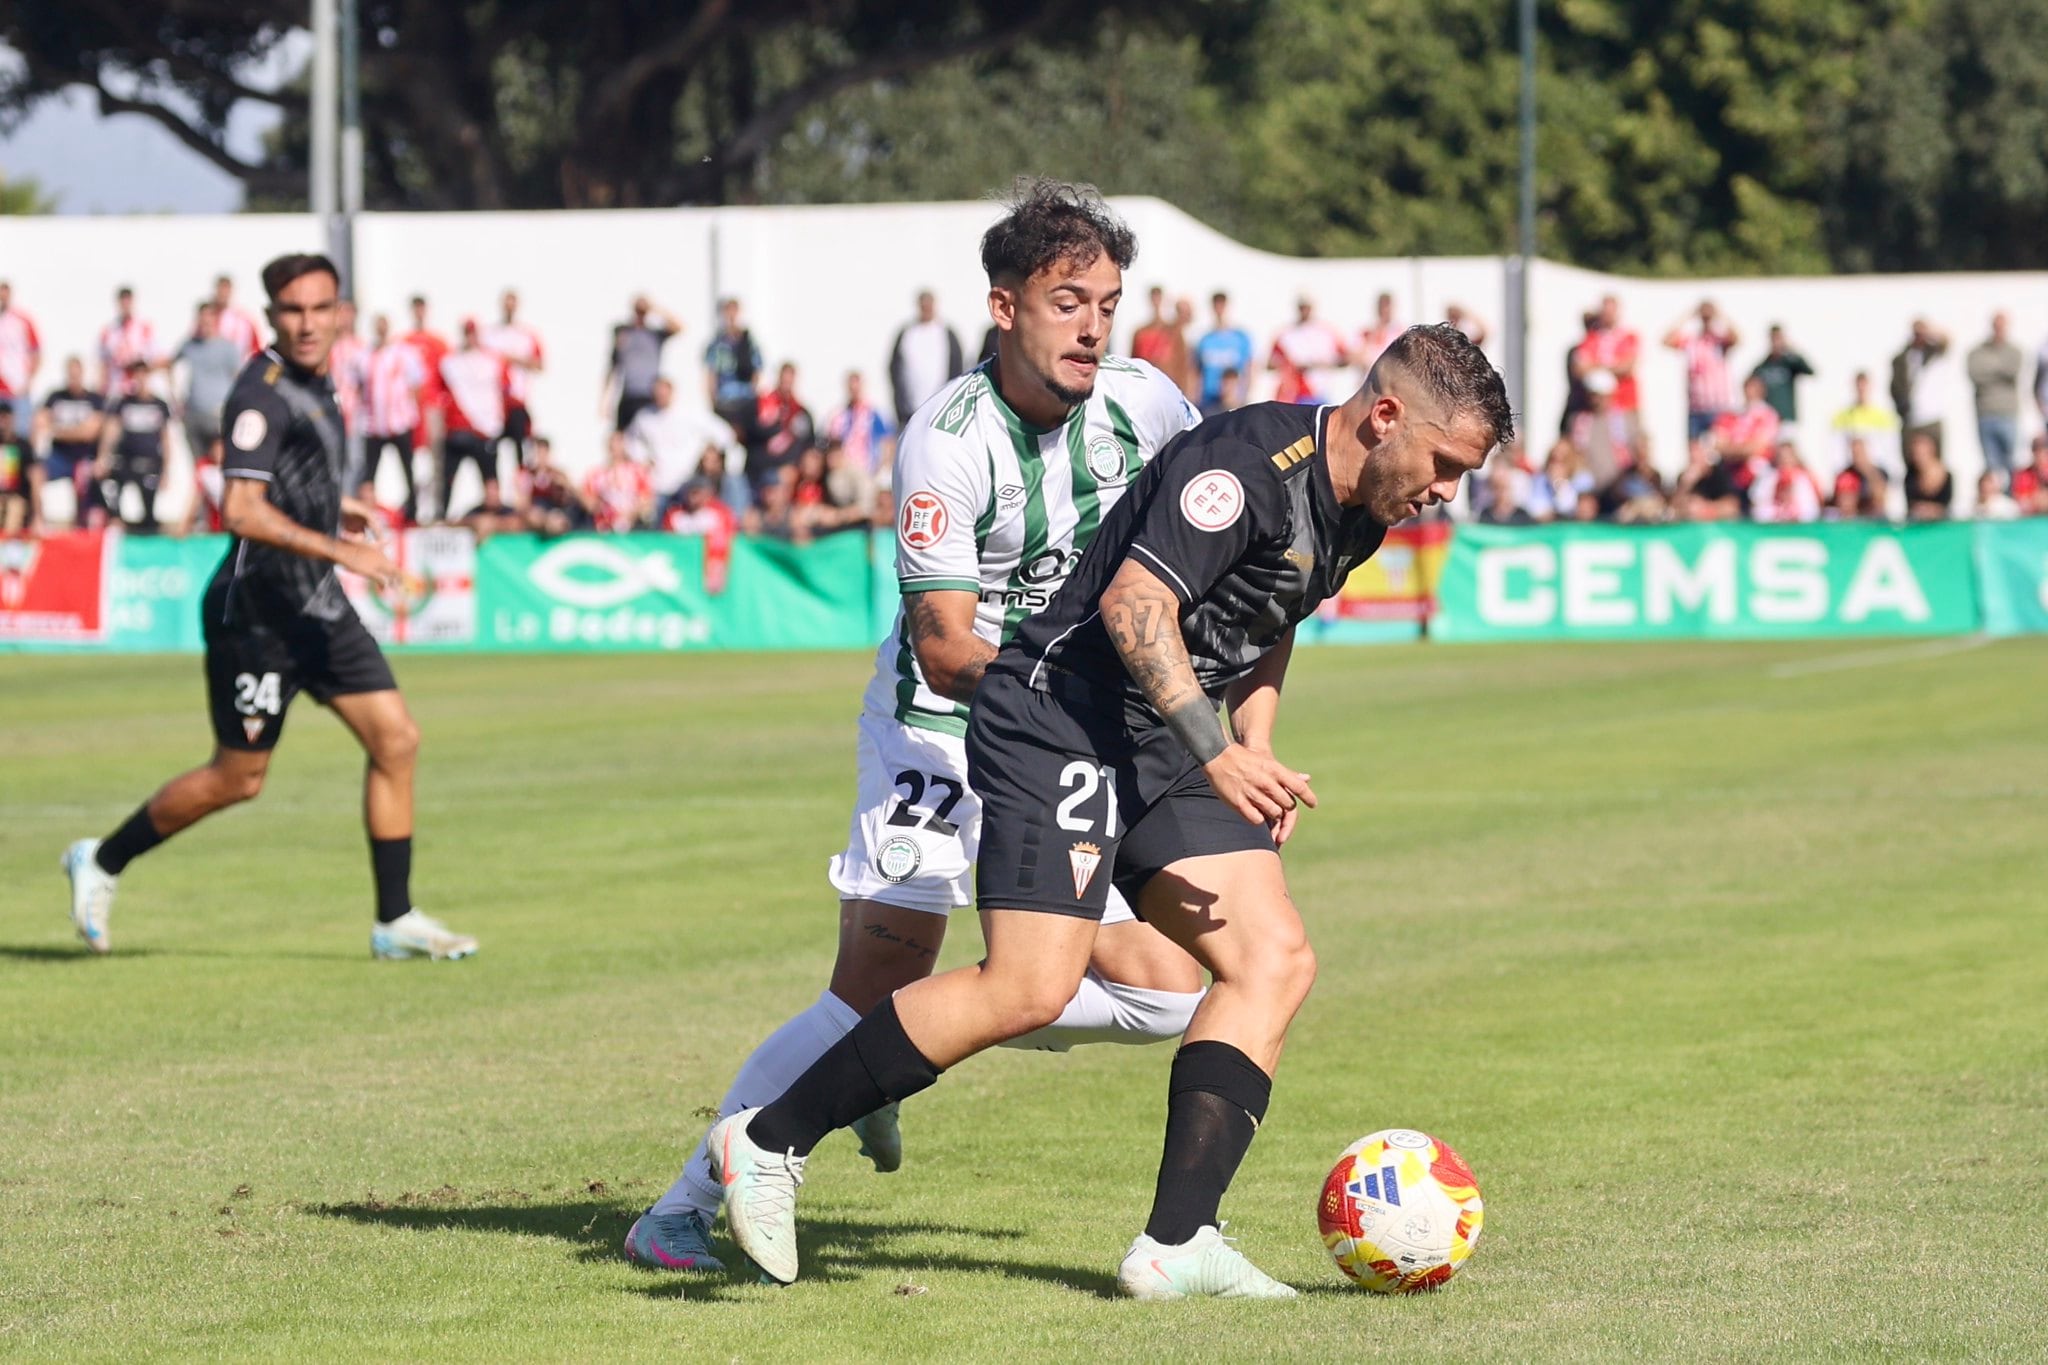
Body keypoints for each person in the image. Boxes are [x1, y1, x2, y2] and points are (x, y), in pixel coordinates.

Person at [704, 323, 1510, 1296]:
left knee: (1272, 959)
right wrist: (1217, 751)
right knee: (1027, 988)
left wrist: (1252, 738)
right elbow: (1134, 609)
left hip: (1162, 738)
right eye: (1445, 463)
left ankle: (1177, 1244)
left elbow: (1271, 619)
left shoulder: (1359, 509)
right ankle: (768, 1139)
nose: (1446, 489)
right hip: (1062, 718)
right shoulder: (1243, 467)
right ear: (1384, 417)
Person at [624, 179, 1211, 1275]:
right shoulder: (948, 438)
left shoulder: (1150, 406)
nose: (1093, 326)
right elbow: (943, 646)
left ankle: (895, 1050)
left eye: (1107, 304)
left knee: (1167, 989)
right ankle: (678, 1211)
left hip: (1068, 737)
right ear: (1004, 307)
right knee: (868, 991)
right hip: (938, 732)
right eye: (1068, 302)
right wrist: (1082, 687)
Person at [61, 252, 478, 961]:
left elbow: (286, 482)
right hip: (255, 617)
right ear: (270, 317)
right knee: (239, 778)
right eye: (292, 310)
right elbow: (243, 510)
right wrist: (342, 550)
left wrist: (335, 507)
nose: (308, 323)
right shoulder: (261, 395)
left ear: (341, 313)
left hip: (315, 606)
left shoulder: (321, 381)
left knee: (397, 740)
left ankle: (395, 919)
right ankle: (101, 859)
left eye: (320, 308)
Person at [437, 320, 510, 521]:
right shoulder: (451, 362)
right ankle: (442, 516)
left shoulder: (492, 361)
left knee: (490, 479)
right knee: (447, 478)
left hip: (485, 430)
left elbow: (506, 390)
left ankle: (495, 515)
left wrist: (499, 421)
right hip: (458, 428)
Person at [363, 314, 426, 522]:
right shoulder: (367, 354)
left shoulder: (403, 353)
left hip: (400, 422)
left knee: (407, 469)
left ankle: (413, 510)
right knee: (369, 472)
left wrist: (410, 411)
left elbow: (417, 384)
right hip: (375, 425)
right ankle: (368, 510)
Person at [96, 360, 172, 533]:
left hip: (150, 463)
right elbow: (112, 431)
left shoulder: (159, 405)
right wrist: (103, 457)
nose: (140, 379)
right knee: (109, 484)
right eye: (136, 375)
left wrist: (167, 470)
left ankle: (148, 528)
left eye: (143, 375)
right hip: (126, 461)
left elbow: (166, 439)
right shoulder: (124, 403)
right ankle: (116, 521)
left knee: (149, 509)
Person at [35, 357, 107, 528]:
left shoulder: (94, 399)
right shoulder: (55, 396)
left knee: (83, 477)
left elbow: (89, 433)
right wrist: (77, 430)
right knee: (35, 472)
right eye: (71, 375)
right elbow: (40, 422)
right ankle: (37, 520)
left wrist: (57, 430)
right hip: (58, 457)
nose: (74, 379)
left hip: (84, 457)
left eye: (77, 374)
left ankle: (80, 526)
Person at [175, 303, 244, 476]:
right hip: (193, 415)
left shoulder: (227, 347)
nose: (205, 323)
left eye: (209, 318)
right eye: (202, 319)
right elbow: (171, 365)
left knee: (219, 463)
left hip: (217, 416)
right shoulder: (190, 345)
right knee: (198, 469)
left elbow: (238, 379)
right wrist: (176, 398)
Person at [480, 288, 544, 467]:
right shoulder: (489, 334)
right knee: (489, 448)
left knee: (520, 445)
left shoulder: (526, 334)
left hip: (517, 399)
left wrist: (512, 359)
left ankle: (521, 478)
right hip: (494, 402)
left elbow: (539, 364)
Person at [886, 290, 964, 427]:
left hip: (941, 407)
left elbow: (957, 367)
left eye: (929, 305)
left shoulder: (946, 333)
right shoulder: (907, 333)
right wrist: (900, 404)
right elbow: (895, 368)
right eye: (923, 305)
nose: (926, 309)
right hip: (910, 410)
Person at [1663, 300, 1738, 439]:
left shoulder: (1720, 341)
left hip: (1719, 406)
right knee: (1695, 447)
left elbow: (1737, 337)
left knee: (1722, 445)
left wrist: (1719, 314)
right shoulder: (1691, 341)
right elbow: (1666, 340)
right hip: (1696, 407)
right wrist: (1689, 315)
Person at [1966, 313, 2022, 483]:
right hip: (1985, 413)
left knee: (2012, 462)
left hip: (2008, 414)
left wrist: (1989, 369)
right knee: (1991, 465)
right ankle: (1996, 496)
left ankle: (2013, 495)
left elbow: (2012, 371)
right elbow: (1975, 374)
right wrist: (2000, 371)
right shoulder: (1977, 352)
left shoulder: (2014, 351)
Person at [1268, 295, 1351, 405]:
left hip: (1320, 390)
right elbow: (1271, 363)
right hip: (1295, 393)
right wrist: (1289, 365)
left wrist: (1321, 365)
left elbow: (1345, 359)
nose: (1304, 310)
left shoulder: (1326, 332)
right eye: (1302, 307)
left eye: (1307, 307)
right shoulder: (1286, 334)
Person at [1890, 319, 1949, 458]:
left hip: (1931, 418)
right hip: (1910, 419)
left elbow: (1947, 340)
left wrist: (1929, 330)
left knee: (1935, 461)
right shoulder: (1902, 358)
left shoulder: (1933, 353)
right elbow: (1895, 387)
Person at [701, 297, 758, 438]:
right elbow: (711, 373)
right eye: (728, 312)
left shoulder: (748, 341)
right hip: (724, 401)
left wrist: (752, 395)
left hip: (744, 400)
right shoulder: (717, 343)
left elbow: (757, 370)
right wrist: (712, 400)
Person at [1194, 292, 1253, 417]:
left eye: (1222, 305)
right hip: (1210, 401)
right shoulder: (1206, 340)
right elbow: (1198, 372)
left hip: (1234, 403)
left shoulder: (1240, 338)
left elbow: (1249, 368)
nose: (1220, 310)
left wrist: (1246, 395)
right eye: (1217, 306)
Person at [98, 287, 161, 398]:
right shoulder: (109, 331)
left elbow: (157, 359)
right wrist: (101, 391)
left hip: (139, 391)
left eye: (128, 301)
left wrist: (138, 366)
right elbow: (103, 364)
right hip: (117, 390)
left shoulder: (145, 328)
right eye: (123, 301)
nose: (125, 305)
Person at [1749, 325, 1814, 429]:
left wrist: (1791, 350)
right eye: (1774, 338)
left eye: (1779, 338)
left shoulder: (1790, 363)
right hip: (1767, 420)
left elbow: (1810, 372)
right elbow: (1750, 385)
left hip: (1787, 419)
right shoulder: (1763, 366)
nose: (1776, 342)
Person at [0, 280, 43, 427]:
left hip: (16, 386)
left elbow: (37, 354)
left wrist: (28, 381)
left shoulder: (22, 321)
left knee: (21, 431)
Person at [0, 403, 41, 533]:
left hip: (17, 497)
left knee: (14, 509)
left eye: (5, 417)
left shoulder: (23, 446)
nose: (2, 422)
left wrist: (37, 514)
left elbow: (35, 477)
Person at [1903, 430, 1953, 521]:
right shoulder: (1910, 475)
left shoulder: (1947, 474)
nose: (1918, 457)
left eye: (1921, 453)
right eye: (1915, 453)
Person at [1357, 291, 1401, 372]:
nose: (1386, 310)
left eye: (1388, 307)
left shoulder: (1400, 334)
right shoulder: (1367, 333)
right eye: (1383, 307)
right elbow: (1359, 358)